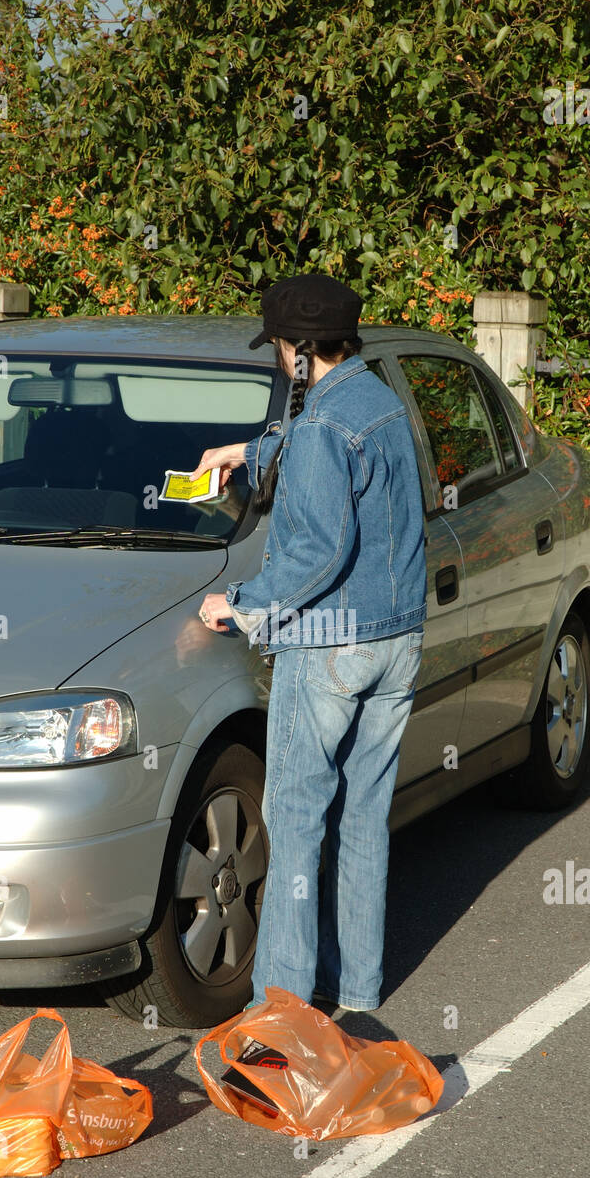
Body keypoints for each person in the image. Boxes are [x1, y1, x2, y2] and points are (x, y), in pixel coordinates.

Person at [191, 272, 427, 1013]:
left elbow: (319, 549)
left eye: (279, 348)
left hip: (329, 646)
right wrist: (249, 452)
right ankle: (356, 996)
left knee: (294, 823)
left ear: (298, 353)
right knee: (361, 817)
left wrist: (240, 603)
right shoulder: (378, 401)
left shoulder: (325, 426)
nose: (276, 359)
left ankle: (283, 1005)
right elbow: (326, 451)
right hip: (396, 642)